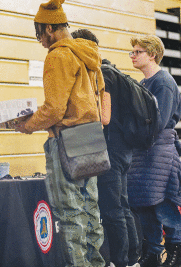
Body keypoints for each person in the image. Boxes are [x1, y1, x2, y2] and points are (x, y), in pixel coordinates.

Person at [14, 1, 110, 266]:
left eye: (39, 35)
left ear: (48, 28)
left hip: (65, 142)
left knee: (68, 212)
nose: (41, 42)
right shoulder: (88, 53)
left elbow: (55, 109)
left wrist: (28, 124)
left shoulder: (58, 55)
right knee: (91, 209)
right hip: (91, 139)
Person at [71, 29, 140, 267]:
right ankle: (132, 259)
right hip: (124, 149)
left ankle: (122, 261)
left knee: (112, 210)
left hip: (111, 149)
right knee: (122, 205)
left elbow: (105, 116)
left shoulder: (103, 74)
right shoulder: (115, 70)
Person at [127, 34, 181, 267]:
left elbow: (159, 121)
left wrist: (133, 130)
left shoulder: (164, 82)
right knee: (144, 201)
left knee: (163, 202)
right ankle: (153, 252)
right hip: (144, 151)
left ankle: (175, 251)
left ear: (152, 54)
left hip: (159, 150)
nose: (132, 56)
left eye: (137, 52)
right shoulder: (143, 84)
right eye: (132, 52)